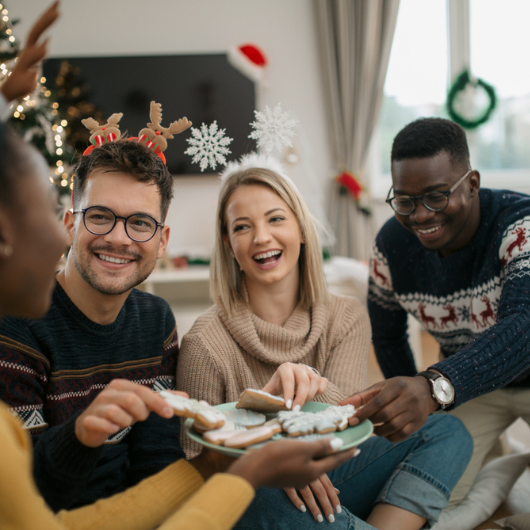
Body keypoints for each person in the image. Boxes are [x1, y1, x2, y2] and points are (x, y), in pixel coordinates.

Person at [0, 124, 358, 530]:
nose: (119, 238)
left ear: (163, 239)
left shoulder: (155, 320)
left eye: (140, 223)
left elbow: (156, 466)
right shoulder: (16, 327)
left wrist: (243, 435)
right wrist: (82, 435)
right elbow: (26, 503)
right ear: (70, 223)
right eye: (100, 217)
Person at [177, 153, 473, 530]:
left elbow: (349, 429)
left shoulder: (345, 316)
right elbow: (195, 470)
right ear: (228, 243)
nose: (262, 237)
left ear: (301, 227)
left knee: (446, 430)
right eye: (242, 227)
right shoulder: (205, 342)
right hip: (259, 495)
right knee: (255, 493)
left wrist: (309, 382)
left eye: (275, 219)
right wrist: (274, 460)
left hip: (330, 474)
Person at [350, 116, 530, 506]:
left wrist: (432, 387)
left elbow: (525, 324)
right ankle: (502, 467)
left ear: (472, 184)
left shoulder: (521, 226)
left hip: (462, 380)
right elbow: (387, 334)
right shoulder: (391, 246)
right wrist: (408, 404)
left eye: (436, 196)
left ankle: (513, 465)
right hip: (475, 388)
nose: (421, 215)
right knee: (432, 495)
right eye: (405, 200)